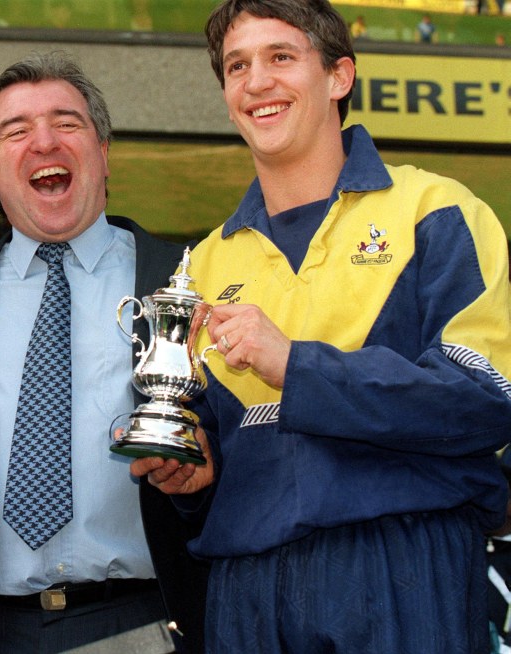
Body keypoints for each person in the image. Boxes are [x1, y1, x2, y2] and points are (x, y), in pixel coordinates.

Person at [132, 1, 511, 652]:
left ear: (340, 76)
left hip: (402, 568)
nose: (256, 82)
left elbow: (485, 399)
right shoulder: (207, 263)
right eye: (237, 66)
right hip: (243, 590)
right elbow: (215, 456)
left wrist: (297, 366)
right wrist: (192, 475)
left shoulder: (436, 210)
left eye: (281, 57)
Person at [0, 51, 209, 654]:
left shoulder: (188, 281)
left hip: (140, 625)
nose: (44, 143)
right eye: (16, 131)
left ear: (104, 152)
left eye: (66, 123)